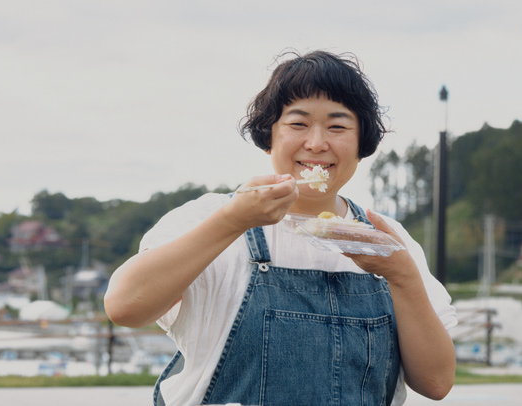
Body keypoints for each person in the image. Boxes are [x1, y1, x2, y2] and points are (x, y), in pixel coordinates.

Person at [104, 50, 457, 406]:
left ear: (362, 143)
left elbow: (437, 383)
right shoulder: (211, 217)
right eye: (298, 124)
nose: (317, 143)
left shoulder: (389, 240)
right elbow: (124, 307)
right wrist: (233, 221)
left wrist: (402, 274)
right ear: (269, 134)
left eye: (337, 126)